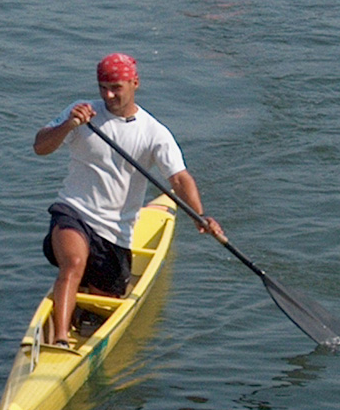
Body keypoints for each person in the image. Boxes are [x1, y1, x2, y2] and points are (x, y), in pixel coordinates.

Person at [34, 53, 224, 348]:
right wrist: (69, 125)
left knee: (101, 295)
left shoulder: (154, 132)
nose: (108, 95)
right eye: (103, 88)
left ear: (135, 83)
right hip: (73, 212)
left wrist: (200, 215)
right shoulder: (81, 114)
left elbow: (179, 179)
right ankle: (59, 339)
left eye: (117, 88)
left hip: (117, 232)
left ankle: (82, 300)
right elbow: (40, 147)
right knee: (73, 261)